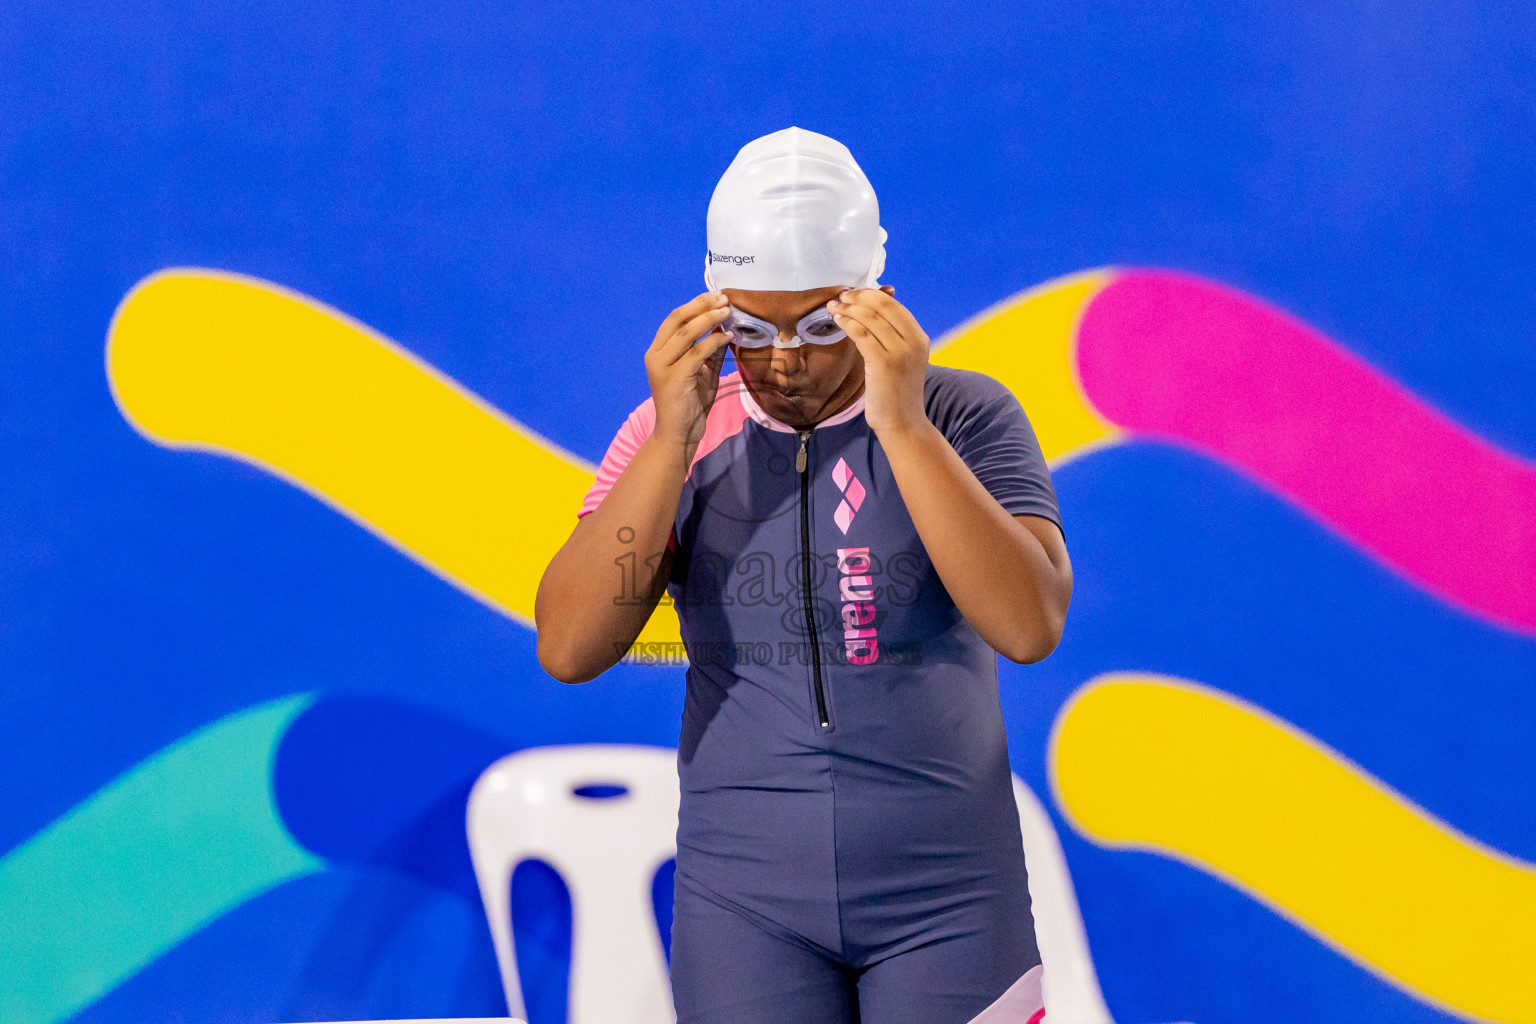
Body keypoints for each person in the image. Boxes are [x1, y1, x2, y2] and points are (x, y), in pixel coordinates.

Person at [534, 127, 1072, 1024]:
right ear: (712, 310)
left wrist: (902, 426)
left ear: (877, 301)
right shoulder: (679, 428)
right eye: (751, 328)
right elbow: (570, 645)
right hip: (745, 907)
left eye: (821, 326)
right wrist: (670, 437)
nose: (785, 358)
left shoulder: (964, 416)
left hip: (950, 903)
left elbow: (1029, 625)